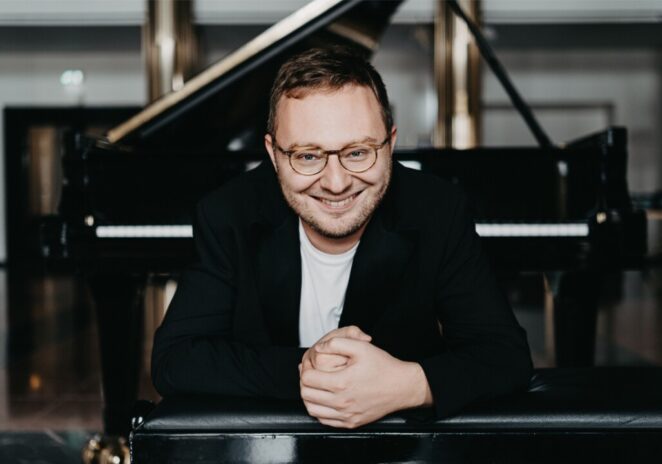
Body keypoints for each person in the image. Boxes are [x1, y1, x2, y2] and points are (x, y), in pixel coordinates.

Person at [151, 46, 532, 428]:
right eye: (307, 156)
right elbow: (175, 359)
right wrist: (309, 370)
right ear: (273, 153)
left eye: (358, 152)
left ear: (391, 142)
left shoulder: (439, 210)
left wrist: (409, 385)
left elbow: (505, 355)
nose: (336, 184)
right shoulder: (227, 213)